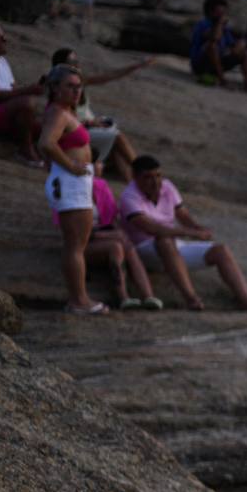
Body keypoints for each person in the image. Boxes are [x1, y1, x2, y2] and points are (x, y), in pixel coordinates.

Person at [120, 155, 247, 310]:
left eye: (158, 176)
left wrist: (198, 228)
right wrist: (190, 233)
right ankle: (191, 298)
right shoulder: (129, 196)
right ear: (135, 178)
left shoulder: (167, 186)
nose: (155, 182)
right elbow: (151, 228)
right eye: (148, 178)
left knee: (220, 250)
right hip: (143, 249)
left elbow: (183, 214)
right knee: (164, 240)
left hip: (171, 244)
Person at [51, 160, 161, 311]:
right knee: (117, 245)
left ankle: (148, 296)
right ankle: (124, 297)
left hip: (99, 238)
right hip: (80, 245)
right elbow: (70, 234)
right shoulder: (70, 191)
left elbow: (111, 220)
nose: (101, 166)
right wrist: (107, 235)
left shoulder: (100, 186)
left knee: (124, 243)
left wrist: (115, 234)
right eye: (97, 163)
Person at [39, 65, 105, 314]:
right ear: (55, 88)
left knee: (76, 243)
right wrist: (70, 166)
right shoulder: (57, 112)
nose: (77, 91)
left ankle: (79, 298)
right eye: (70, 86)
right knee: (75, 245)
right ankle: (79, 300)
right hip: (70, 180)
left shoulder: (64, 112)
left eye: (79, 87)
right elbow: (46, 143)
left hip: (74, 180)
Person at [47, 48, 152, 181]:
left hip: (87, 129)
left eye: (77, 61)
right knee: (117, 137)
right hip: (79, 134)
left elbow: (109, 76)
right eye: (73, 62)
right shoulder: (59, 90)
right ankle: (143, 172)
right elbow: (62, 122)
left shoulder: (78, 82)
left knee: (115, 148)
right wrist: (89, 123)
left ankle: (135, 183)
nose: (78, 64)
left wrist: (136, 66)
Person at [0, 22, 44, 166]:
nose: (6, 41)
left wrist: (33, 89)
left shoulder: (2, 62)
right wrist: (29, 90)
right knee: (26, 103)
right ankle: (25, 149)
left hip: (2, 110)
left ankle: (32, 149)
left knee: (45, 124)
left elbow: (14, 91)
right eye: (2, 38)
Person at [190, 0, 246, 86]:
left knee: (243, 48)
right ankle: (222, 79)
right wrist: (219, 23)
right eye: (219, 12)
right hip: (200, 64)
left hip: (217, 61)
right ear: (211, 12)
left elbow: (232, 45)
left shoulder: (225, 28)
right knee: (212, 46)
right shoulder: (203, 24)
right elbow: (214, 38)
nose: (222, 15)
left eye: (223, 12)